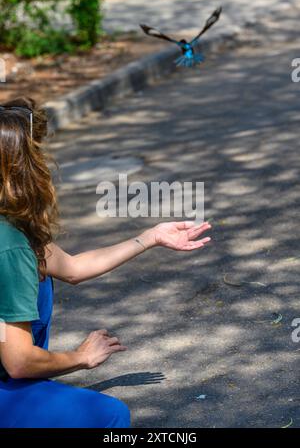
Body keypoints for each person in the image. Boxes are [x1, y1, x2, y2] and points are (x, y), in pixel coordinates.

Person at [0, 98, 211, 428]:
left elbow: (72, 268)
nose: (44, 163)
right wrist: (81, 358)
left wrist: (150, 236)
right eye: (36, 154)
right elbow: (19, 361)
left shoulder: (10, 233)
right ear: (21, 170)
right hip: (9, 379)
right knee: (109, 416)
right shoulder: (9, 245)